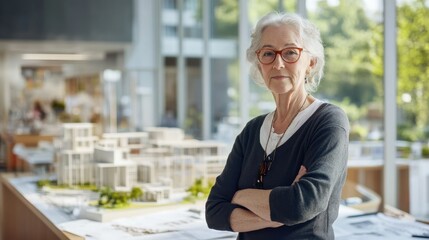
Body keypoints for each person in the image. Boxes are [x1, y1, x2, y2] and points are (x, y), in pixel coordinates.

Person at [205, 12, 349, 240]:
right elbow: (213, 212)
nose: (278, 63)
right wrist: (277, 216)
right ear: (259, 62)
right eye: (268, 53)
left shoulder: (328, 121)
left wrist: (239, 196)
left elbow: (303, 204)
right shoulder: (252, 131)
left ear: (310, 62)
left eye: (291, 52)